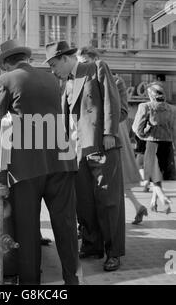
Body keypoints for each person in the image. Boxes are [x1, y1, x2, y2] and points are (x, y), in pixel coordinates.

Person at [0, 39, 79, 285]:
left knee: (28, 231)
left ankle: (31, 285)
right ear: (25, 58)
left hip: (27, 165)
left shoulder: (4, 81)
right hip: (62, 160)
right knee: (66, 225)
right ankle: (72, 279)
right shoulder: (52, 79)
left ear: (6, 64)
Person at [45, 40, 125, 272]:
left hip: (101, 145)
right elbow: (65, 119)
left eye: (53, 65)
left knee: (108, 201)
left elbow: (112, 99)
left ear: (64, 58)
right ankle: (92, 245)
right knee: (85, 202)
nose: (53, 71)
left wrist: (109, 132)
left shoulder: (96, 67)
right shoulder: (67, 83)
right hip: (77, 151)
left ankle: (113, 252)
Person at [76, 46, 148, 225]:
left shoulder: (115, 81)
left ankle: (112, 222)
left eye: (85, 63)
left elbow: (122, 111)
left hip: (112, 135)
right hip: (87, 140)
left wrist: (105, 122)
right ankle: (135, 207)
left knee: (114, 181)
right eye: (79, 64)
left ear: (95, 60)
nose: (82, 68)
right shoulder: (77, 83)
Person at [132, 81, 176, 214]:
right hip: (168, 146)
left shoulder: (145, 106)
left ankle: (164, 199)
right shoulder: (172, 109)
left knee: (152, 178)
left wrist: (145, 130)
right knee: (158, 177)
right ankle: (153, 202)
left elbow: (137, 129)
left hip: (152, 145)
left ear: (150, 95)